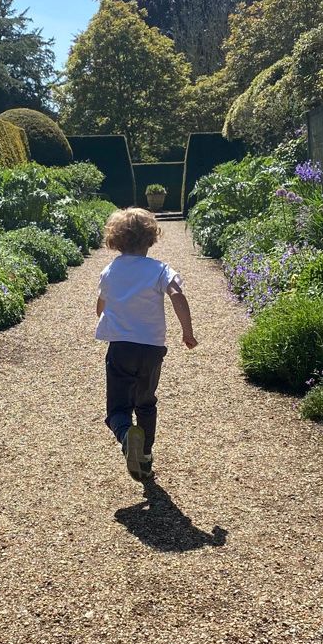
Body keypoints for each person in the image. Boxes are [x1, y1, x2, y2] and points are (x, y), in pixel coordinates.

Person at [95, 207, 198, 482]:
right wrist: (187, 331)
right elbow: (178, 295)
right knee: (146, 402)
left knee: (117, 410)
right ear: (151, 238)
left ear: (115, 239)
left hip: (120, 348)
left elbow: (100, 305)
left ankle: (128, 437)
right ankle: (146, 456)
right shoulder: (160, 270)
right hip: (152, 348)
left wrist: (109, 317)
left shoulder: (109, 271)